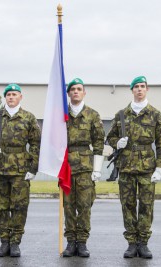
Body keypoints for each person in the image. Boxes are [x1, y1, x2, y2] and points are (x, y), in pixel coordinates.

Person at [106, 76, 161, 259]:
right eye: (136, 87)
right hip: (126, 166)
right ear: (132, 90)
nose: (139, 89)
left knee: (146, 206)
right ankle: (132, 243)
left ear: (146, 89)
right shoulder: (121, 115)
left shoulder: (155, 114)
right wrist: (118, 143)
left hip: (147, 167)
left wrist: (160, 167)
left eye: (142, 86)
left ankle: (144, 243)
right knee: (128, 205)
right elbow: (109, 137)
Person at [0, 83, 41, 258]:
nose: (11, 97)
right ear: (5, 97)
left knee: (19, 207)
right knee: (0, 207)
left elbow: (36, 144)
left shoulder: (29, 118)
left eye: (15, 94)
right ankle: (4, 242)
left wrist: (33, 167)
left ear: (20, 97)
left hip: (20, 170)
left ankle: (15, 242)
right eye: (8, 94)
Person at [62, 78, 105, 257]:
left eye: (79, 89)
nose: (76, 92)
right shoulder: (62, 115)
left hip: (86, 167)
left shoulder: (92, 115)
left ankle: (82, 242)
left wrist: (97, 169)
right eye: (73, 89)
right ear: (69, 93)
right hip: (66, 167)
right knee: (68, 206)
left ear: (84, 92)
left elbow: (98, 143)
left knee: (85, 205)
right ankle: (71, 242)